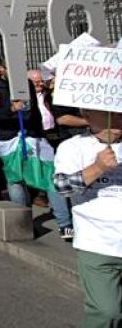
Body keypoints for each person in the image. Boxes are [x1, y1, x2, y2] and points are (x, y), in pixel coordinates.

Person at [54, 108, 121, 327]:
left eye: (120, 114)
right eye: (109, 114)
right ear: (88, 115)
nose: (117, 119)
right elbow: (62, 187)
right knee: (106, 312)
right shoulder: (73, 147)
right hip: (99, 244)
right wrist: (98, 167)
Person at [0, 78, 73, 241]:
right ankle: (24, 225)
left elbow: (32, 112)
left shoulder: (25, 83)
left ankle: (65, 225)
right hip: (9, 141)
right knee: (16, 180)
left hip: (34, 139)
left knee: (52, 177)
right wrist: (12, 108)